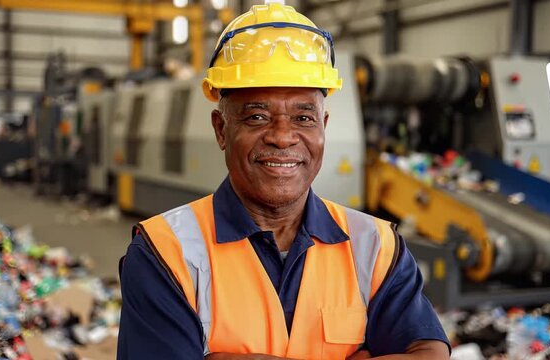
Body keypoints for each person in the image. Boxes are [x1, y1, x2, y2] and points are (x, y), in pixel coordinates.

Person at [117, 3, 450, 359]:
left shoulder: (376, 246)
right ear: (221, 130)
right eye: (257, 116)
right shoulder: (166, 253)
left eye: (303, 118)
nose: (282, 136)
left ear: (324, 126)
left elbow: (428, 353)